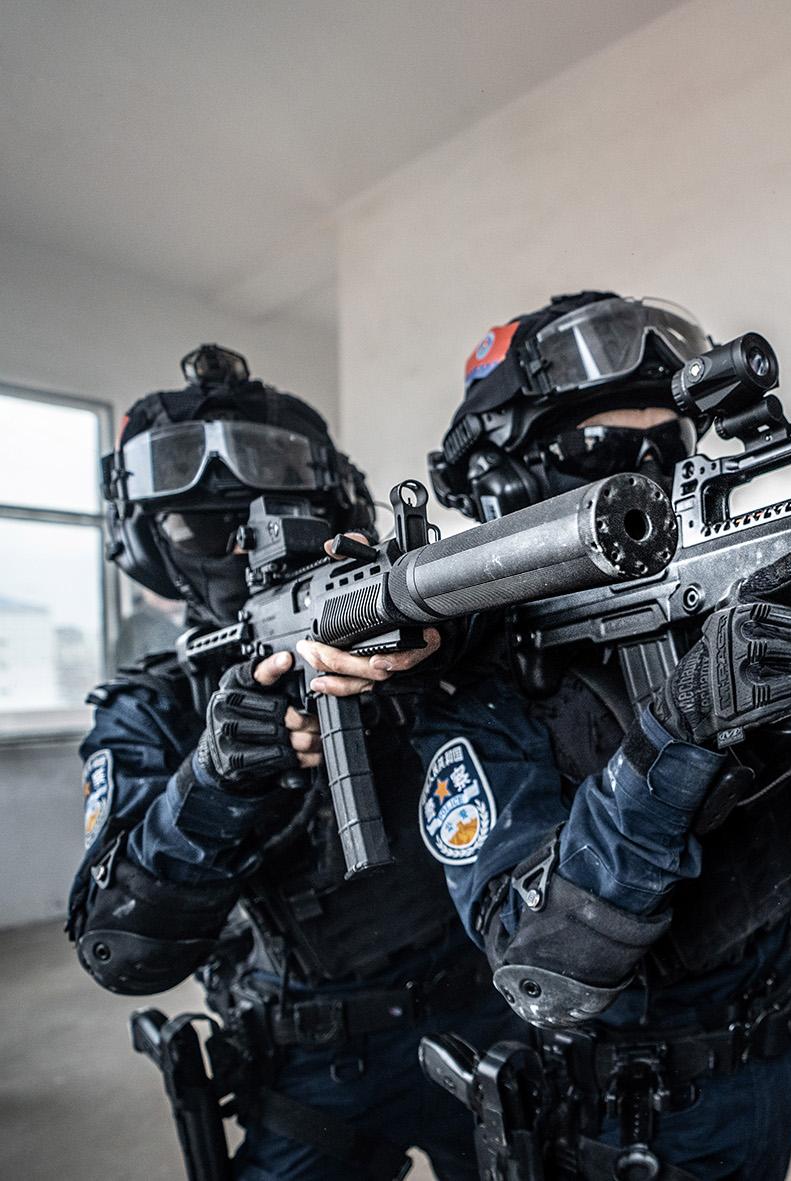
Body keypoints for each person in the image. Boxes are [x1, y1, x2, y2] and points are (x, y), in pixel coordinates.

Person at [414, 292, 791, 1181]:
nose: (652, 481)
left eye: (670, 448)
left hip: (769, 1054)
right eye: (603, 451)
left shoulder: (707, 597)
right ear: (510, 487)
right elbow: (540, 957)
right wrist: (677, 736)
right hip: (625, 1113)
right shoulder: (478, 677)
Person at [69, 344, 519, 1181]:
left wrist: (457, 639)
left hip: (482, 1016)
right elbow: (120, 949)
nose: (239, 547)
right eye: (201, 526)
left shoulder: (417, 633)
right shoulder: (152, 707)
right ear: (147, 544)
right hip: (311, 1058)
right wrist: (214, 783)